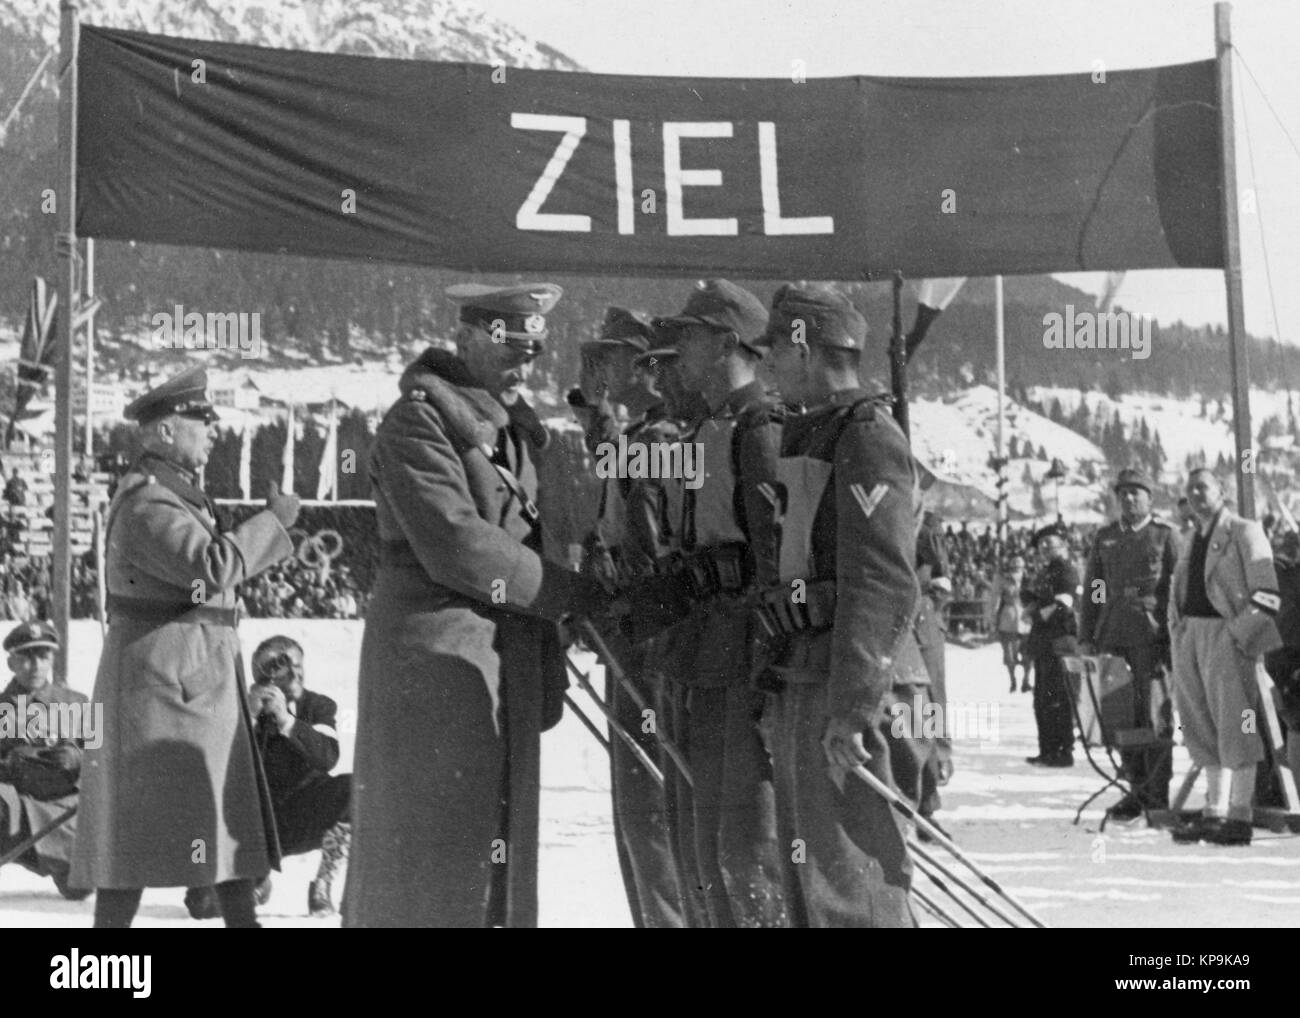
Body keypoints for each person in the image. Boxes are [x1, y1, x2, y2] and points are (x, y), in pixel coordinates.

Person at [345, 283, 607, 928]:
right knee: (430, 855)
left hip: (496, 661)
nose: (522, 366)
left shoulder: (504, 430)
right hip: (436, 663)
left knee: (492, 854)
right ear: (464, 341)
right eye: (506, 349)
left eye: (531, 352)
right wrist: (569, 596)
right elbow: (457, 543)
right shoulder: (418, 422)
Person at [69, 365, 301, 928]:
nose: (213, 431)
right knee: (139, 846)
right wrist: (274, 522)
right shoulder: (149, 503)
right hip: (168, 691)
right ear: (167, 431)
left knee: (218, 835)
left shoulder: (173, 497)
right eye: (202, 421)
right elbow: (210, 566)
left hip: (183, 684)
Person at [758, 284, 928, 927]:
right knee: (817, 889)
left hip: (842, 691)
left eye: (775, 347)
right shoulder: (814, 433)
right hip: (806, 682)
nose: (768, 362)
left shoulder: (866, 438)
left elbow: (883, 583)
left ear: (805, 349)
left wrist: (853, 710)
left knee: (854, 890)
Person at [633, 278, 788, 928]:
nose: (679, 350)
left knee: (747, 853)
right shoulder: (709, 426)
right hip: (705, 653)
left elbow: (777, 562)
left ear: (727, 341)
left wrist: (769, 674)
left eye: (689, 336)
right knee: (706, 853)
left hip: (746, 663)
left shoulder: (759, 428)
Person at [572, 306, 688, 928]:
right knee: (637, 817)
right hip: (632, 638)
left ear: (647, 367)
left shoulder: (661, 441)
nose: (598, 369)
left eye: (611, 357)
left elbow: (646, 554)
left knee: (651, 815)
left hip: (649, 643)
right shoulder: (639, 439)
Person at [184, 636, 351, 920]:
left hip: (303, 812)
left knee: (354, 791)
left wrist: (287, 721)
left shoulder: (318, 705)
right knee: (203, 906)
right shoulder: (234, 707)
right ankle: (255, 881)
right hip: (250, 823)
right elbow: (212, 764)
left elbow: (327, 757)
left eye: (299, 667)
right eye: (286, 671)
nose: (297, 676)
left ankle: (322, 885)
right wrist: (247, 717)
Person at [1168, 468, 1281, 846]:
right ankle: (1214, 811)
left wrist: (1239, 637)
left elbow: (1267, 595)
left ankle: (1240, 814)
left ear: (1221, 491)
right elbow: (1179, 590)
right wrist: (1179, 629)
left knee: (1241, 724)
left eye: (1203, 487)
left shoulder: (1245, 531)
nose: (1197, 495)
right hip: (1191, 638)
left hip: (1226, 637)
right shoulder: (1189, 538)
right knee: (1200, 726)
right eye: (1191, 489)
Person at [1079, 468, 1179, 820]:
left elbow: (1175, 592)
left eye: (1136, 492)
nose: (1129, 498)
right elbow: (1095, 588)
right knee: (1123, 718)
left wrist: (1173, 639)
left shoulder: (1165, 537)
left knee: (1155, 716)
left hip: (1152, 640)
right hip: (1114, 638)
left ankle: (1157, 794)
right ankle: (1134, 790)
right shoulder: (1105, 537)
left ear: (1150, 499)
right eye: (1123, 493)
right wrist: (1087, 635)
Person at [0, 621, 89, 900]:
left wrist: (78, 757)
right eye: (26, 657)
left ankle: (72, 860)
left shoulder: (78, 703)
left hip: (66, 811)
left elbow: (105, 761)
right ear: (11, 662)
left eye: (43, 656)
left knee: (80, 890)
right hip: (17, 811)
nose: (36, 665)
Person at [1023, 522, 1081, 767]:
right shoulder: (1045, 572)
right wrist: (1036, 607)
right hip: (1045, 642)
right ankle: (1048, 749)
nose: (1044, 548)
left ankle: (1063, 751)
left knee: (1059, 697)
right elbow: (1031, 602)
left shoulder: (1066, 570)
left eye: (1049, 543)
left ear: (1064, 544)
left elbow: (1061, 606)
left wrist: (1037, 610)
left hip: (1061, 640)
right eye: (1041, 545)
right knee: (1043, 699)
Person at [996, 556, 1031, 692]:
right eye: (1014, 568)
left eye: (1019, 568)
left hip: (1026, 620)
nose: (1016, 570)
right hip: (1009, 620)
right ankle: (1013, 680)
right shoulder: (1004, 581)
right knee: (1010, 655)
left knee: (1028, 654)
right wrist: (995, 619)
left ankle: (1025, 680)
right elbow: (997, 601)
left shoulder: (1029, 581)